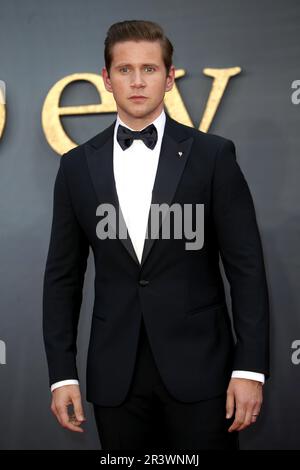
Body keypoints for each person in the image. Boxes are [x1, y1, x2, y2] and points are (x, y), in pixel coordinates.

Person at [43, 19, 270, 450]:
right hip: (116, 379)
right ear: (107, 79)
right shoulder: (75, 167)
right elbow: (62, 279)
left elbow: (246, 268)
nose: (137, 81)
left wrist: (250, 369)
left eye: (149, 69)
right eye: (125, 70)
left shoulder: (213, 156)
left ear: (168, 78)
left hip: (204, 374)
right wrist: (62, 373)